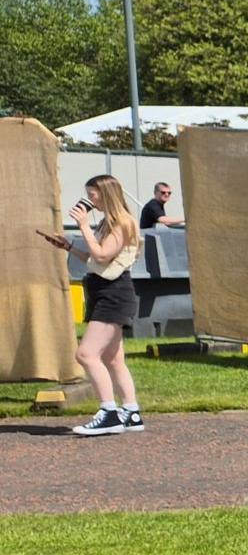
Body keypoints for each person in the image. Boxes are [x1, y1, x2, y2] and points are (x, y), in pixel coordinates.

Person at [40, 175, 147, 435]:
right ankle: (131, 412)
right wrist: (68, 246)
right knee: (113, 358)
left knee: (86, 354)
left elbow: (102, 254)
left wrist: (84, 226)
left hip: (114, 293)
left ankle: (109, 413)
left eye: (94, 195)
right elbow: (96, 258)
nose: (90, 200)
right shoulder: (110, 224)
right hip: (103, 290)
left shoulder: (122, 223)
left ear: (108, 194)